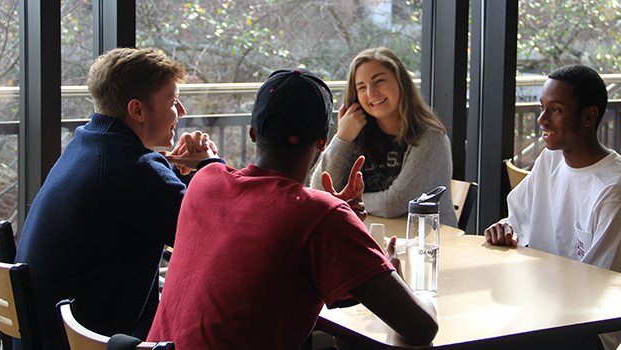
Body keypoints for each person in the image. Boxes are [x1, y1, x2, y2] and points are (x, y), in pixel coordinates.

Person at [146, 68, 438, 349]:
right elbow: (421, 329)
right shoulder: (322, 217)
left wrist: (337, 221)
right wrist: (395, 272)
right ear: (322, 143)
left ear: (252, 133)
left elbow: (234, 182)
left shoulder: (204, 183)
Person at [14, 48, 224, 349]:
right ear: (137, 110)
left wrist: (186, 176)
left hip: (53, 334)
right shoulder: (133, 167)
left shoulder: (87, 144)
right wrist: (211, 165)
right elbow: (219, 234)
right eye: (172, 100)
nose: (182, 110)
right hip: (98, 339)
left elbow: (161, 207)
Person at [483, 65, 621, 350]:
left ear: (588, 116)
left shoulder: (614, 189)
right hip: (540, 305)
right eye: (542, 108)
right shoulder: (551, 160)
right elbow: (518, 219)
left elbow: (598, 286)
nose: (541, 120)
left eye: (555, 110)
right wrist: (505, 229)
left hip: (587, 328)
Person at [310, 47, 457, 227]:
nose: (371, 92)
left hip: (425, 245)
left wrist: (343, 200)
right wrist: (342, 138)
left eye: (379, 81)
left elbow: (393, 203)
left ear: (401, 82)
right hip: (374, 240)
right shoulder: (358, 134)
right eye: (361, 87)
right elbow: (319, 191)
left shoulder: (431, 138)